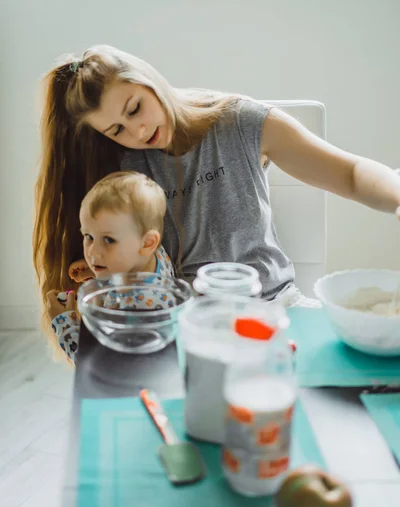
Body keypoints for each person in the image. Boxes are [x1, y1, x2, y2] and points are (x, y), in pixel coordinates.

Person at [33, 45, 400, 359]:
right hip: (186, 328)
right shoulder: (120, 165)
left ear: (149, 79)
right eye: (117, 130)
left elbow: (351, 173)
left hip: (276, 310)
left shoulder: (243, 122)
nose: (138, 132)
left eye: (135, 109)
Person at [45, 170, 174, 362]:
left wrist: (65, 322)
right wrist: (99, 267)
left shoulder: (131, 308)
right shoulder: (152, 255)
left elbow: (98, 363)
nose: (93, 252)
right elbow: (129, 257)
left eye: (108, 240)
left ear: (147, 242)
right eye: (89, 237)